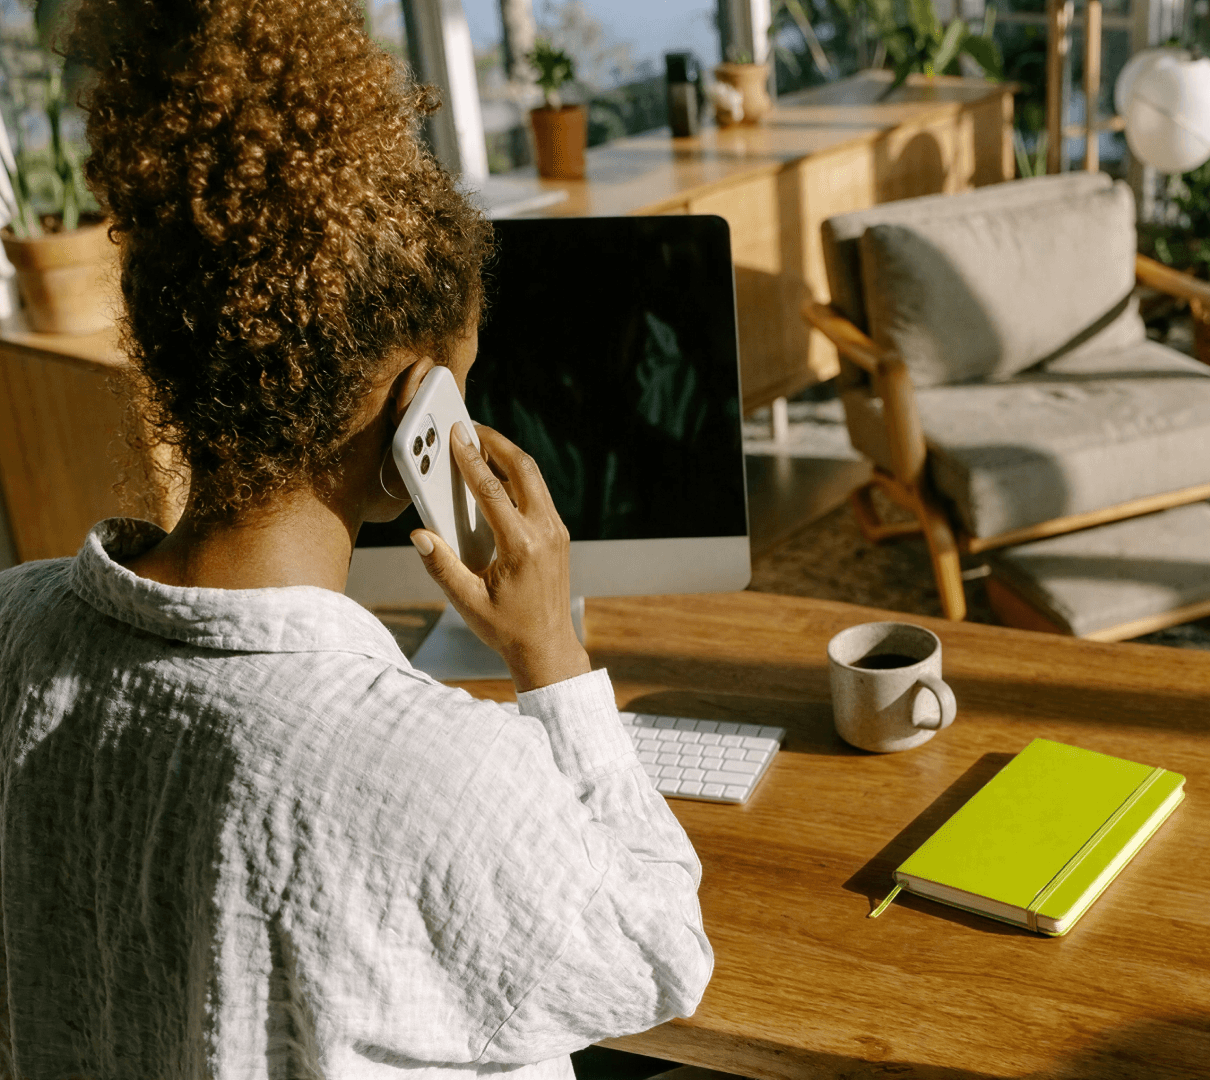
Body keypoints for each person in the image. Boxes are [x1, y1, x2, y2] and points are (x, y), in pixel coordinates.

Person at [0, 0, 713, 1076]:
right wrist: (551, 659)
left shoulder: (12, 623)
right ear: (415, 417)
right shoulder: (434, 770)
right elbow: (660, 957)